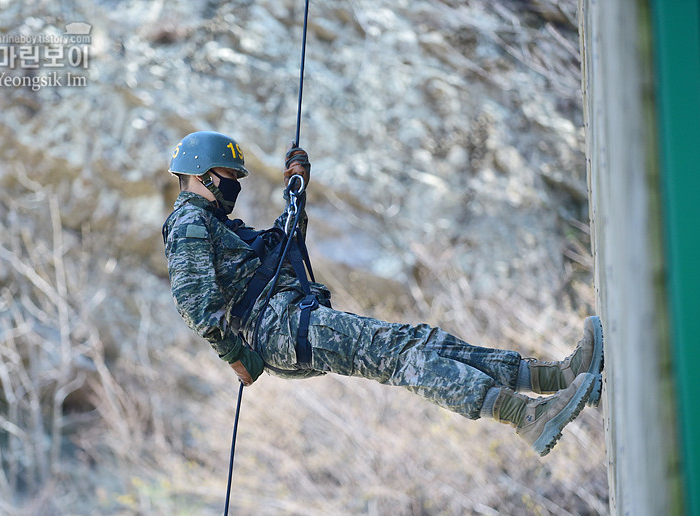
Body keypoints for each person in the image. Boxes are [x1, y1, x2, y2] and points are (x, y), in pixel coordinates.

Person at [163, 131, 603, 457]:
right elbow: (195, 304)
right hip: (280, 329)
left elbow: (275, 248)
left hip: (288, 323)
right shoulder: (188, 224)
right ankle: (525, 416)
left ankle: (557, 378)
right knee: (402, 357)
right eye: (229, 175)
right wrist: (237, 356)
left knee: (420, 342)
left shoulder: (216, 225)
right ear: (203, 175)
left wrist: (295, 192)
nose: (234, 183)